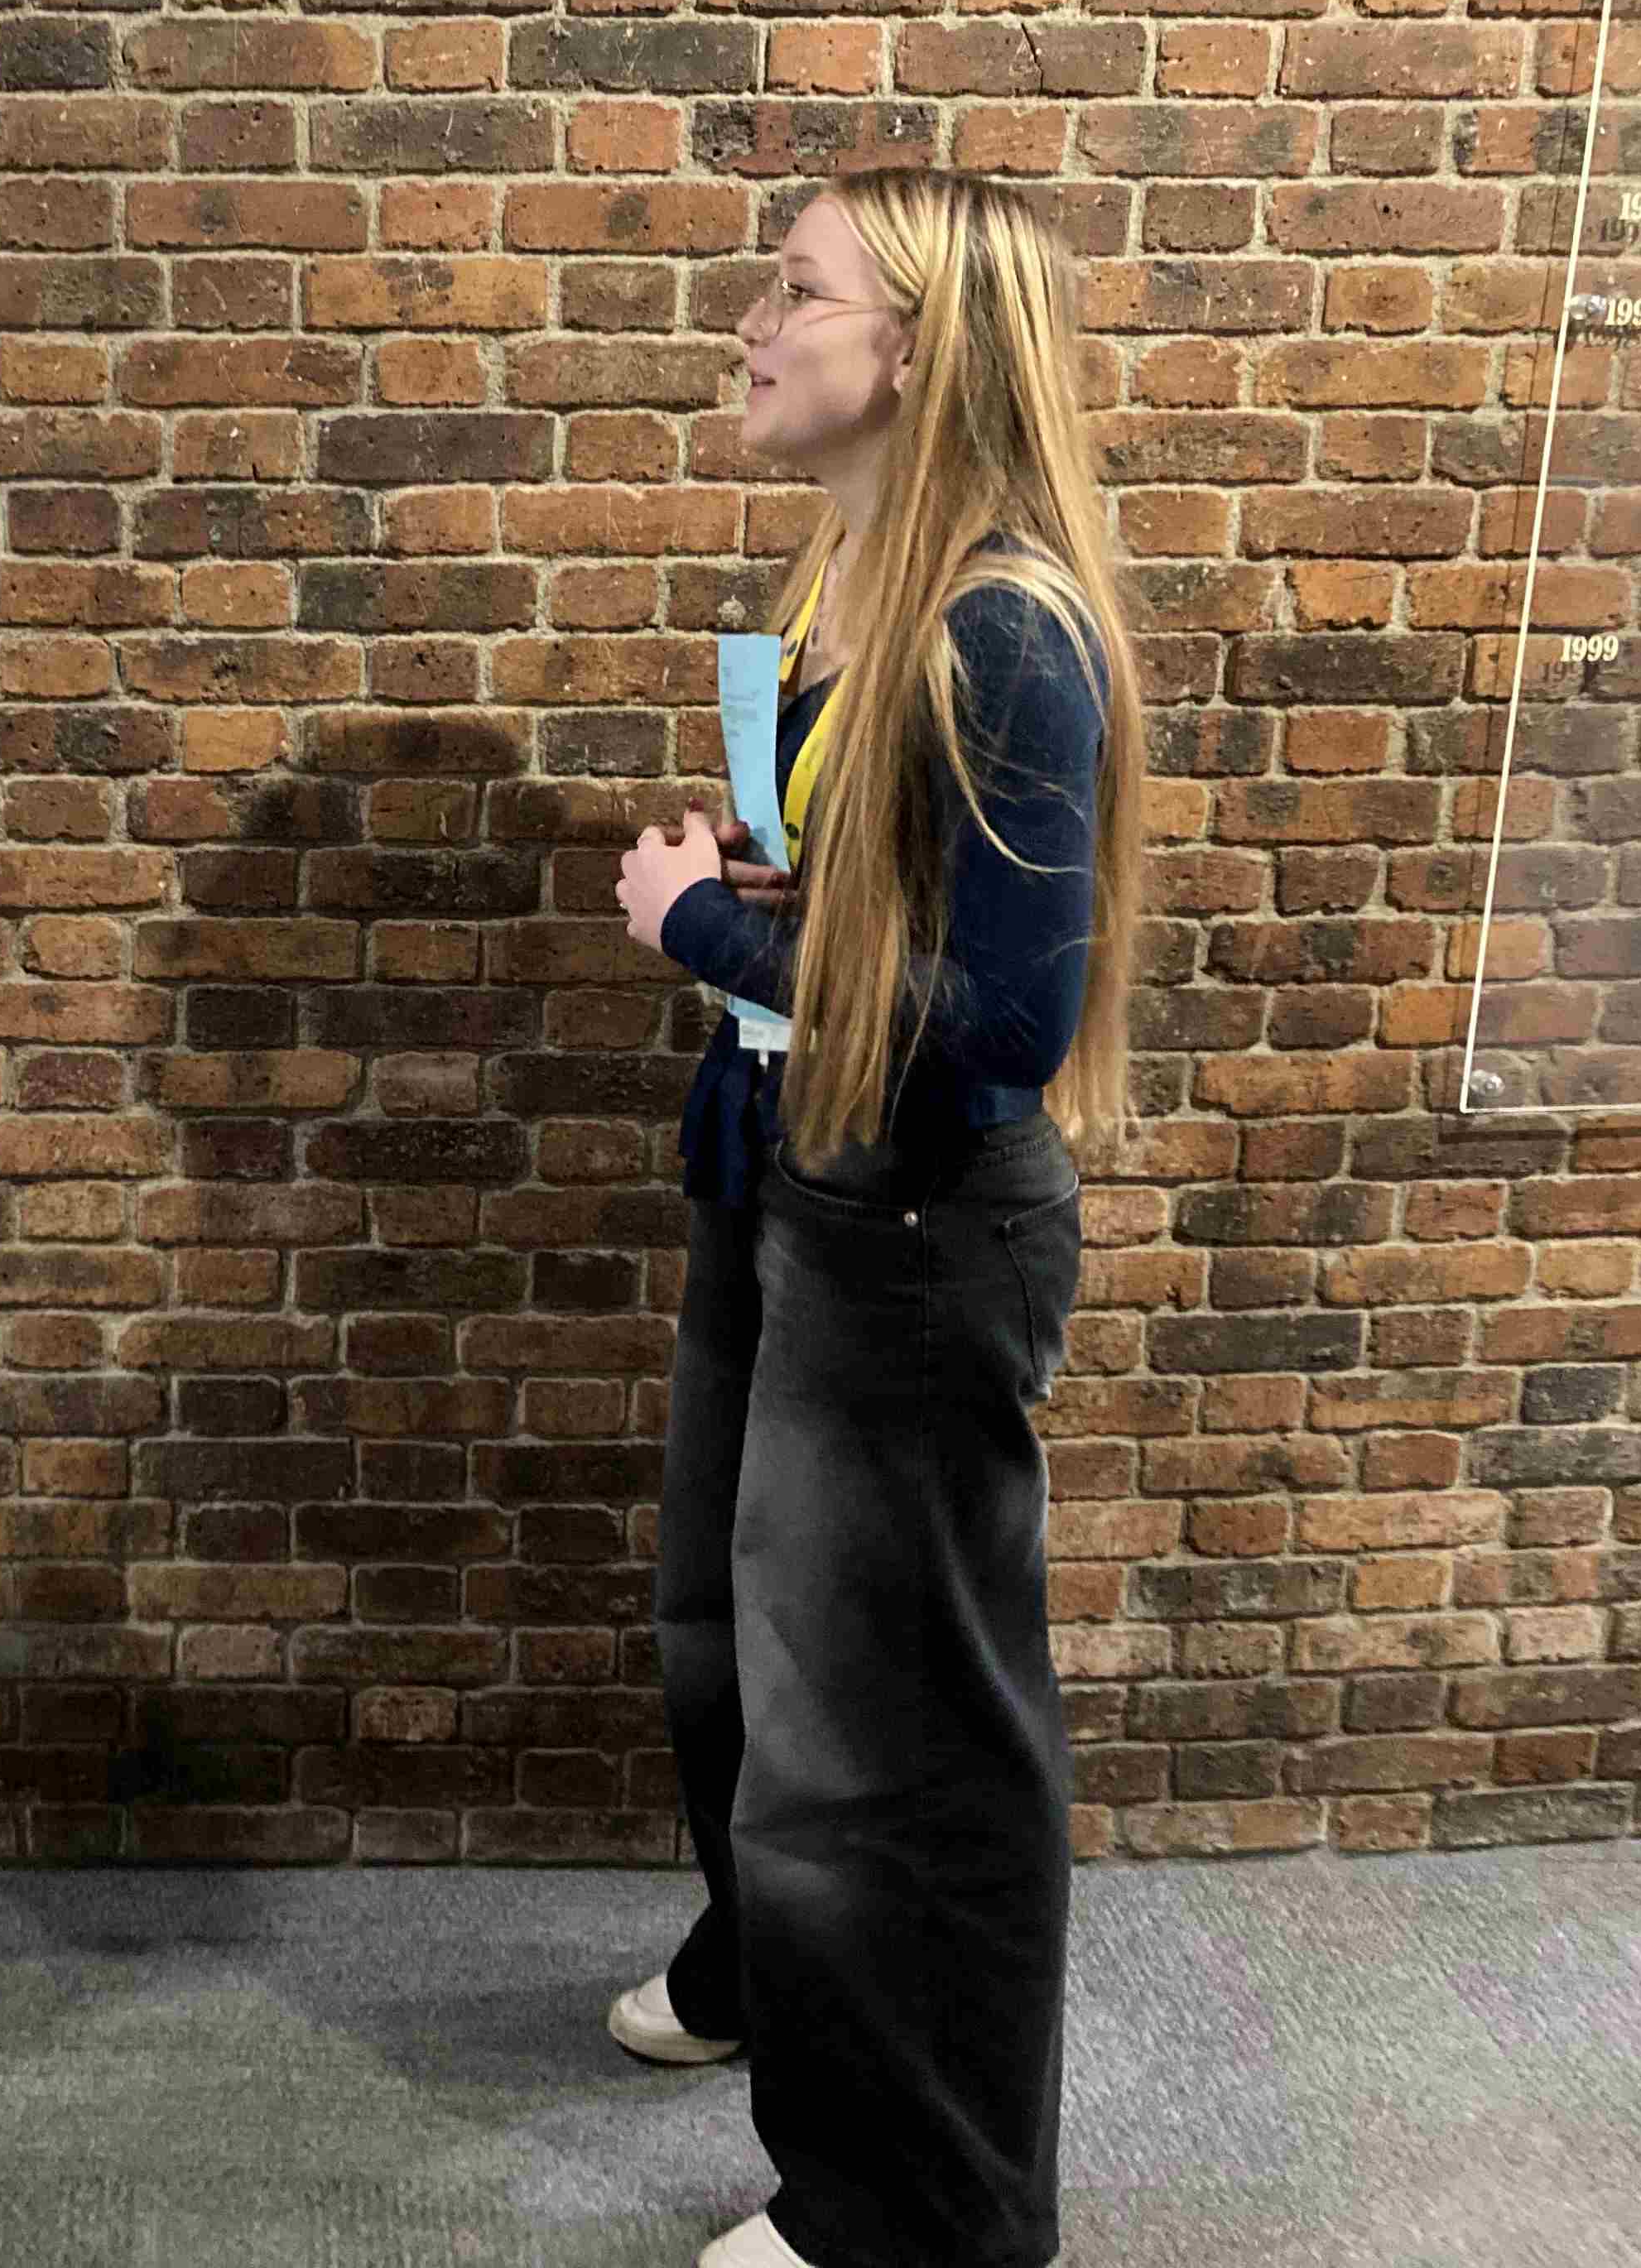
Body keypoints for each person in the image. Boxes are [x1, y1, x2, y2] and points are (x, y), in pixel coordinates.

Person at [607, 170, 1146, 2268]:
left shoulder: (1001, 625)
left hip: (915, 1233)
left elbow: (1004, 1020)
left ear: (911, 347)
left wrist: (707, 933)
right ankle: (775, 1969)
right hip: (792, 1177)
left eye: (795, 290)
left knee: (902, 1747)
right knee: (728, 1646)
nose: (753, 323)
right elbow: (888, 913)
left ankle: (917, 2213)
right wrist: (771, 890)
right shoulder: (854, 576)